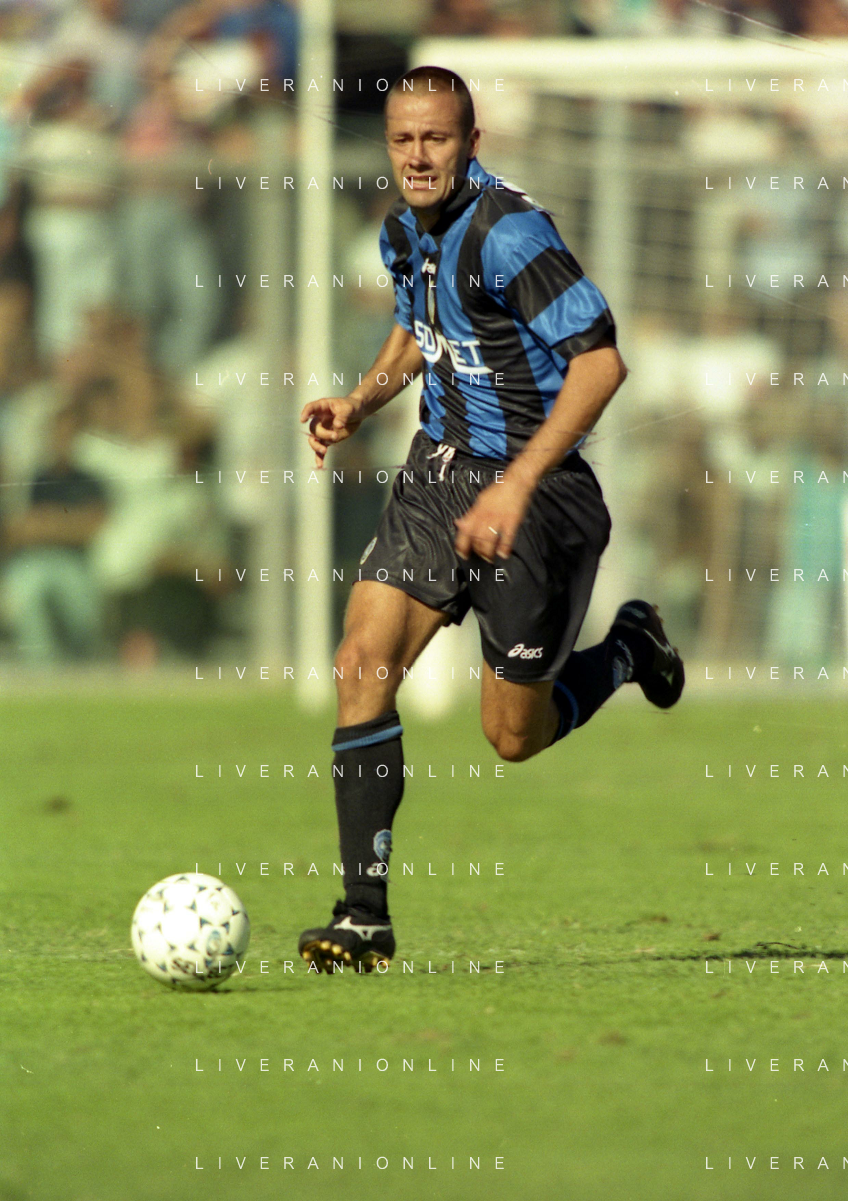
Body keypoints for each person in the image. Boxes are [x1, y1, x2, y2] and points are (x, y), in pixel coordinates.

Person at [297, 67, 685, 973]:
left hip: (538, 501)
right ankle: (363, 917)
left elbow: (601, 363)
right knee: (360, 664)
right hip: (437, 476)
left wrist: (514, 485)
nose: (417, 155)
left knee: (514, 735)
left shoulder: (511, 234)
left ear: (470, 143)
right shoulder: (401, 230)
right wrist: (361, 402)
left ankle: (629, 649)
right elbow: (416, 329)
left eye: (435, 138)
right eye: (403, 139)